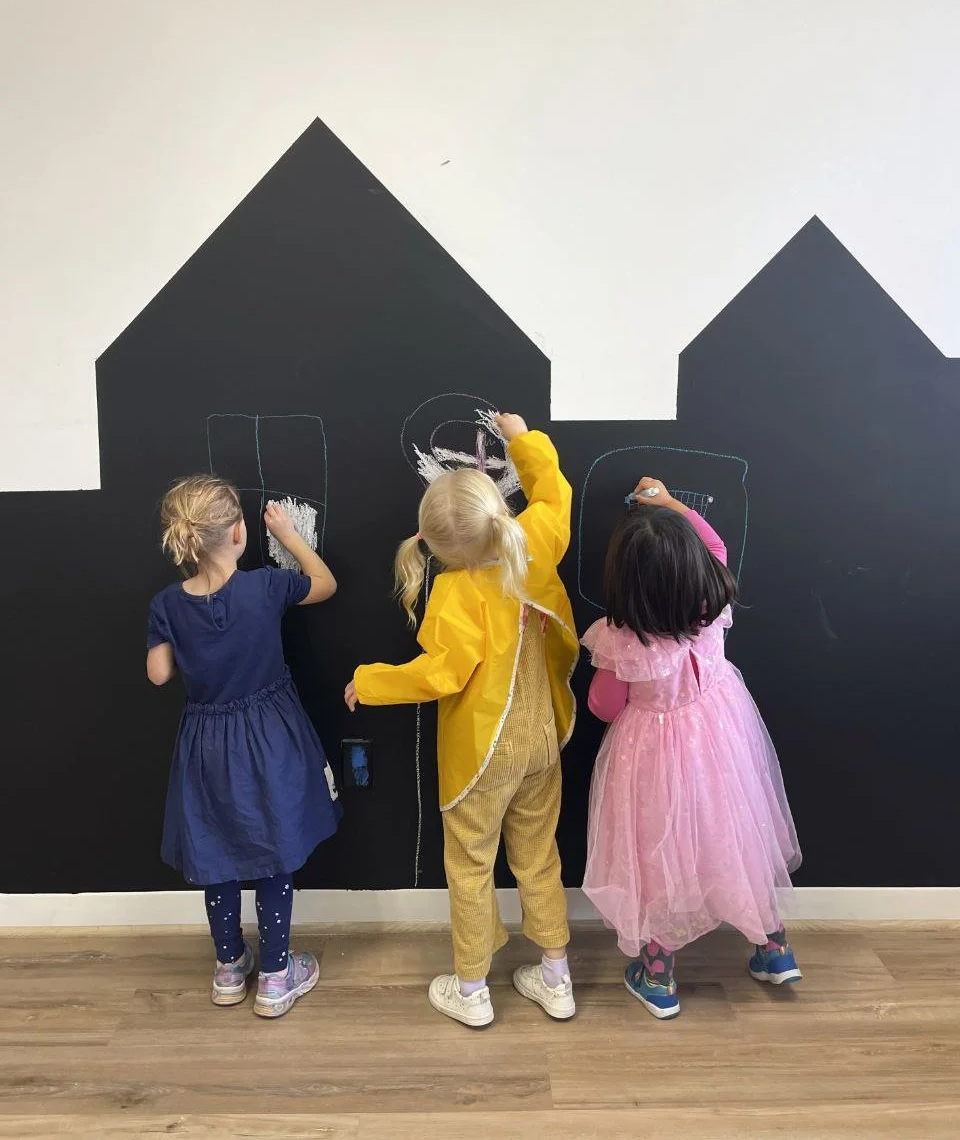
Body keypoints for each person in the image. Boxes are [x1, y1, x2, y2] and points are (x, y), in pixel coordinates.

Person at [345, 414, 579, 1028]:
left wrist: (369, 682)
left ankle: (472, 990)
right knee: (538, 856)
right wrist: (522, 438)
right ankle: (556, 977)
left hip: (481, 754)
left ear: (436, 547)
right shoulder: (537, 544)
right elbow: (555, 491)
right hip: (544, 738)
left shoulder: (454, 593)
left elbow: (439, 675)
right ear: (496, 510)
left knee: (471, 865)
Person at [582, 478, 802, 1020]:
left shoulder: (623, 636)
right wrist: (670, 504)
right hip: (722, 739)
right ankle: (772, 949)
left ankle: (658, 977)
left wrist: (607, 675)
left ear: (626, 581)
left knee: (659, 857)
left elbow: (605, 707)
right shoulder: (711, 600)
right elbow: (717, 549)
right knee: (738, 835)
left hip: (655, 758)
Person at [146, 476, 341, 1018]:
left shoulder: (166, 603)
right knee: (275, 846)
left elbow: (159, 675)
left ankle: (230, 967)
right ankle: (277, 976)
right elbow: (324, 584)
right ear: (239, 531)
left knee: (217, 852)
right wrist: (289, 535)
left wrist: (170, 637)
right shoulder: (266, 587)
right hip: (270, 734)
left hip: (206, 742)